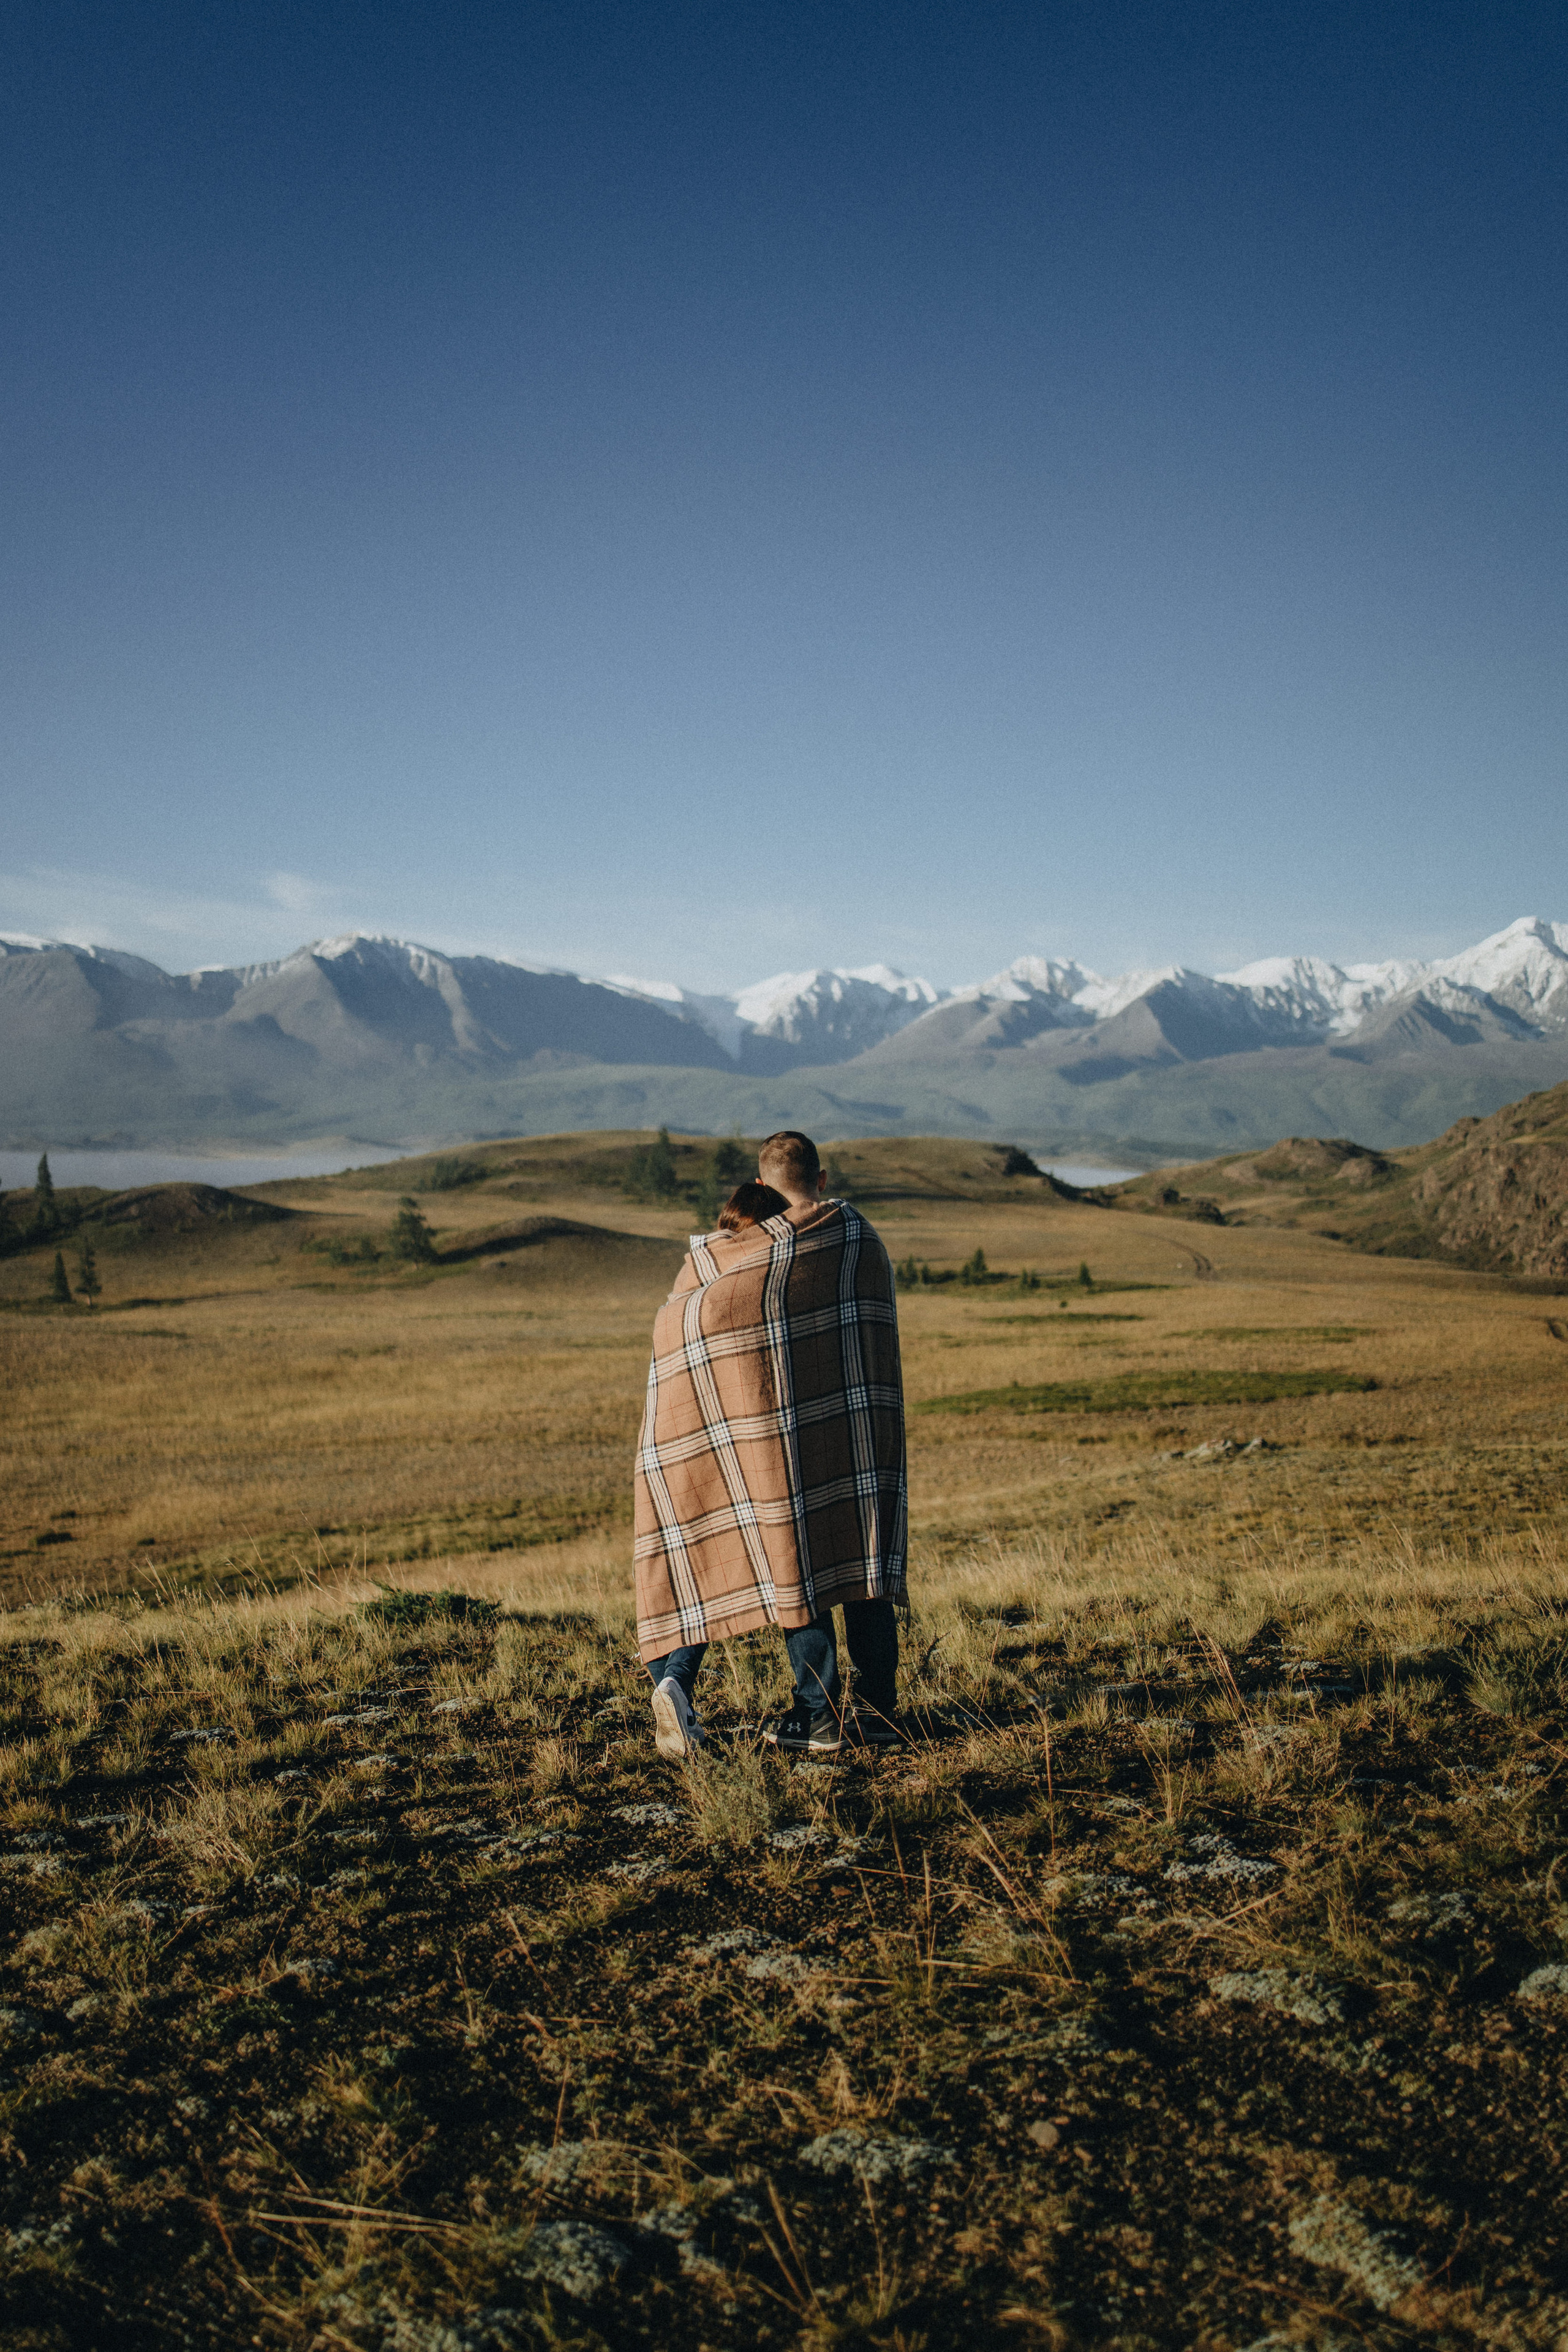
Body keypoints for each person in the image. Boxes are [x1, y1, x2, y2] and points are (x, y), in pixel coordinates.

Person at [635, 1131, 907, 1760]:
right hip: (850, 1432)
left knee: (795, 1562)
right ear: (821, 1175)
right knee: (857, 1560)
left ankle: (815, 1716)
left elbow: (684, 1333)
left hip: (767, 1443)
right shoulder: (854, 1235)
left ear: (759, 1185)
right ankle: (876, 1715)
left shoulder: (721, 1260)